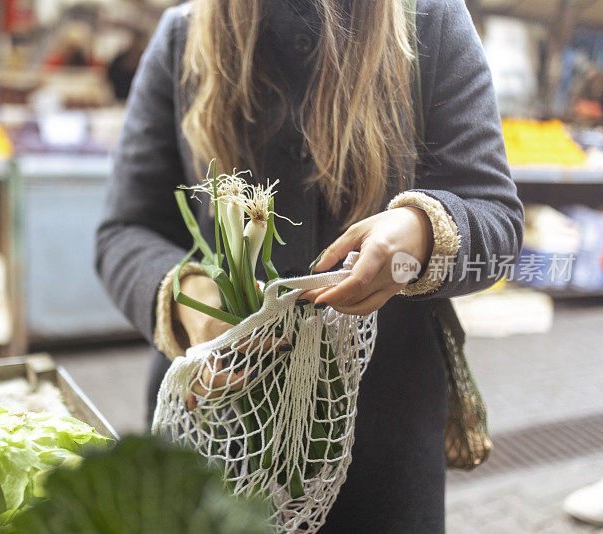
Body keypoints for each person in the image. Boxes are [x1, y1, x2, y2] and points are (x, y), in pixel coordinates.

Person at [96, 0, 523, 531]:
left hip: (382, 444)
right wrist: (193, 303)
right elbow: (123, 231)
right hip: (213, 430)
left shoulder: (429, 18)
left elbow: (498, 223)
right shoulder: (185, 33)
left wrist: (420, 232)